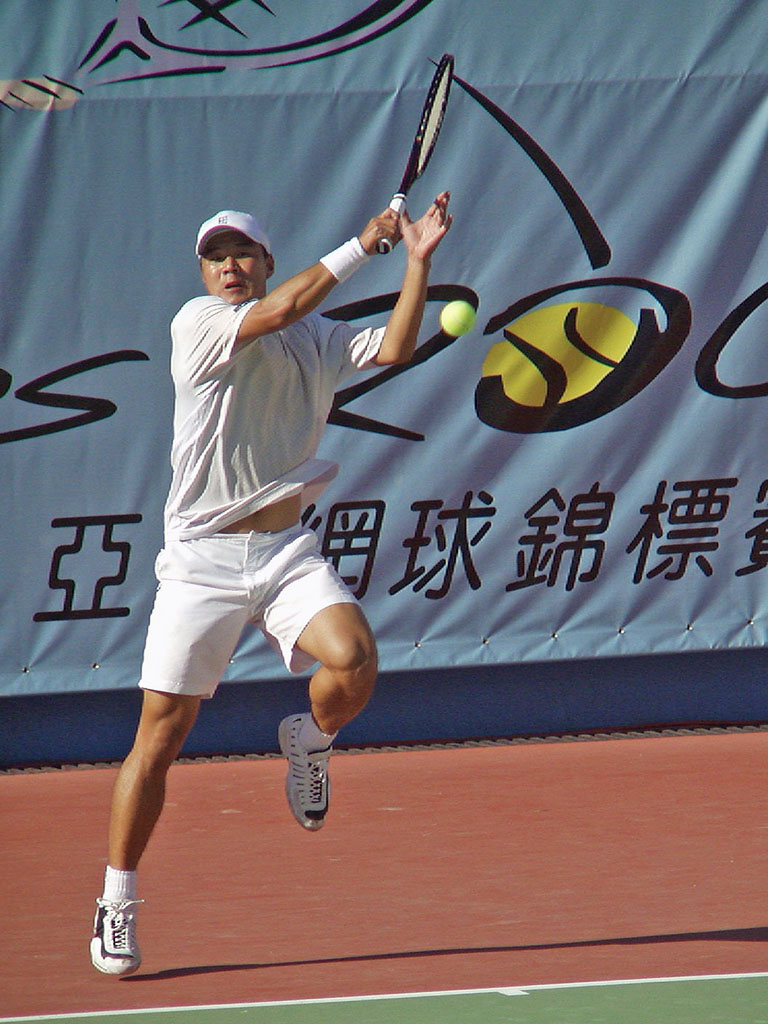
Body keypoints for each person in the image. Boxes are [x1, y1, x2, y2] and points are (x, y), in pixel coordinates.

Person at [90, 192, 452, 976]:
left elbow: (394, 348)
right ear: (204, 273)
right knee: (161, 735)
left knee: (355, 661)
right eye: (216, 257)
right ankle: (117, 900)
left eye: (242, 254)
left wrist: (416, 262)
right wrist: (360, 245)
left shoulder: (313, 337)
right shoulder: (199, 325)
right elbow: (283, 307)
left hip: (284, 549)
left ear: (265, 262)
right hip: (201, 561)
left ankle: (309, 740)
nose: (229, 267)